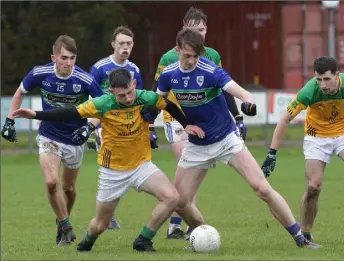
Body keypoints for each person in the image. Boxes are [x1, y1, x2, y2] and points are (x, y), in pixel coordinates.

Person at [156, 28, 319, 249]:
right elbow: (159, 101)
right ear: (177, 51)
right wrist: (157, 123)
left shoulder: (211, 71)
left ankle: (300, 237)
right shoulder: (168, 75)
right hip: (197, 145)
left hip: (226, 139)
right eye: (187, 56)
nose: (192, 61)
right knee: (179, 201)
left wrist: (248, 103)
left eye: (196, 56)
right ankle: (201, 230)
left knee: (262, 188)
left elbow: (241, 92)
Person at [12, 68, 205, 252]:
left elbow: (168, 104)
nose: (128, 98)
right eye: (121, 95)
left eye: (130, 92)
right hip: (112, 171)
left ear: (134, 84)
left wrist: (187, 124)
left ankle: (143, 239)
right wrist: (36, 114)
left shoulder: (145, 97)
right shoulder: (103, 103)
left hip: (141, 165)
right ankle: (86, 242)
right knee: (100, 225)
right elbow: (70, 112)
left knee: (172, 197)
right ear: (111, 91)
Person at [152, 6, 247, 239]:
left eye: (202, 29)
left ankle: (181, 223)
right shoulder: (168, 58)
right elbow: (158, 95)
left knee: (189, 178)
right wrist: (147, 126)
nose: (199, 34)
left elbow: (224, 90)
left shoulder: (212, 55)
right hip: (176, 117)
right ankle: (178, 224)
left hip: (203, 121)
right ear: (183, 31)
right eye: (194, 29)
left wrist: (237, 117)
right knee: (186, 167)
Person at [1, 35, 104, 246]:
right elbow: (19, 93)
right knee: (51, 182)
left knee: (69, 189)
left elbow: (103, 106)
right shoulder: (40, 73)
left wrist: (89, 128)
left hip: (75, 139)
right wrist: (9, 120)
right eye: (64, 58)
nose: (69, 63)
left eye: (73, 58)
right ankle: (66, 226)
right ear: (53, 58)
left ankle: (61, 220)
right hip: (49, 135)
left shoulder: (85, 80)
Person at [261, 56, 344, 242]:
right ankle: (305, 234)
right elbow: (284, 119)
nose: (322, 85)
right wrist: (272, 153)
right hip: (316, 136)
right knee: (314, 186)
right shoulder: (309, 91)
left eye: (327, 79)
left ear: (337, 75)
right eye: (319, 79)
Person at [87, 25, 144, 230]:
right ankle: (106, 216)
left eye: (129, 44)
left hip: (127, 126)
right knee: (111, 168)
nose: (125, 47)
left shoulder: (134, 70)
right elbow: (90, 98)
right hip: (104, 125)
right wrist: (92, 128)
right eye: (121, 43)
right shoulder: (100, 68)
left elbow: (140, 99)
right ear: (113, 44)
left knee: (122, 167)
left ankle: (107, 214)